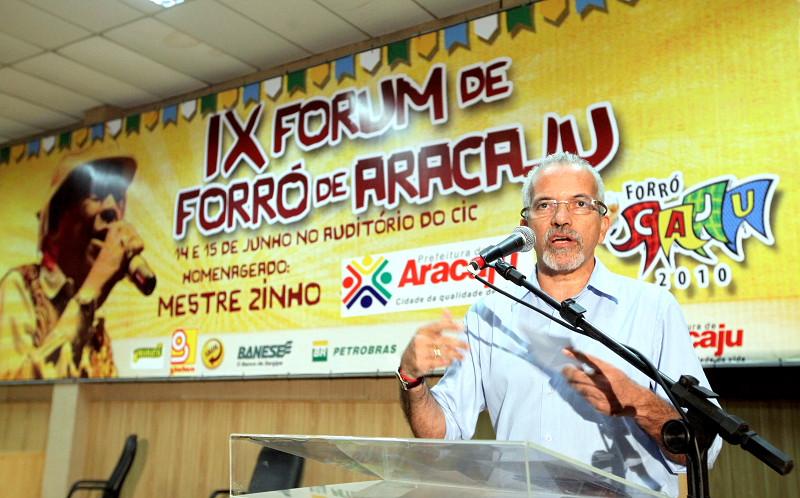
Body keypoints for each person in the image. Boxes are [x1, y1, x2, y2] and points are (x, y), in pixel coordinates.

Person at [397, 152, 721, 497]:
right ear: (526, 227)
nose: (561, 219)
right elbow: (440, 434)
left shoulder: (653, 308)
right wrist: (411, 378)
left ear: (604, 225)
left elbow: (701, 451)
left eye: (580, 204)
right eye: (545, 205)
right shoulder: (489, 315)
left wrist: (637, 400)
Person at [0, 155, 147, 379]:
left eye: (118, 198)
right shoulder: (20, 287)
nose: (111, 209)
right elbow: (11, 384)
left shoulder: (96, 330)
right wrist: (89, 293)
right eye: (96, 195)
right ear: (57, 220)